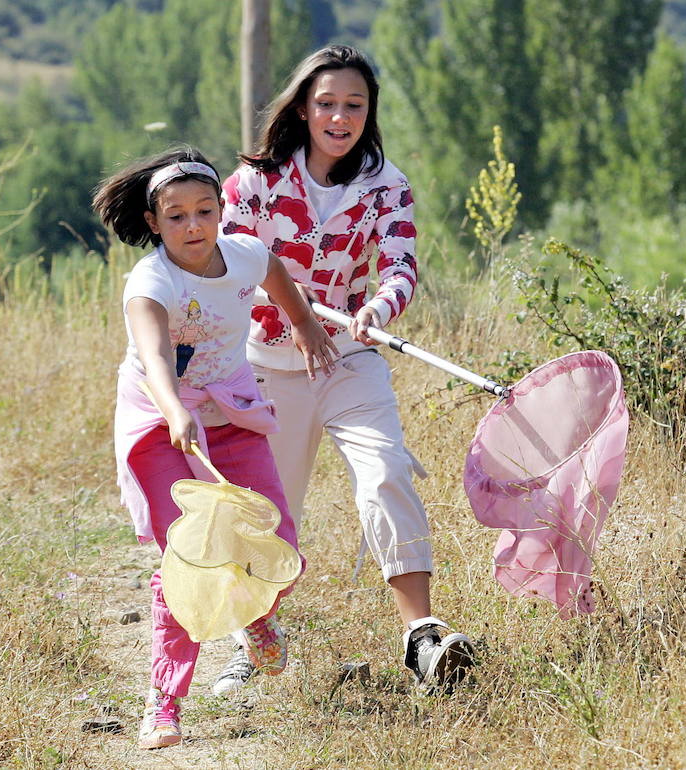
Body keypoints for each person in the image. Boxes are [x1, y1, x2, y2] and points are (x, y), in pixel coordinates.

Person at [215, 44, 474, 696]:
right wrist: (289, 305)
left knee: (386, 471)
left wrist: (378, 307)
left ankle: (422, 637)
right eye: (326, 103)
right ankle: (250, 642)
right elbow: (227, 270)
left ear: (368, 112)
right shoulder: (253, 184)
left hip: (349, 357)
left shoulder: (388, 185)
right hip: (267, 367)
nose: (339, 116)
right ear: (302, 108)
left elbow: (400, 266)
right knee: (269, 516)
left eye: (353, 105)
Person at [93, 146, 337, 750]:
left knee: (276, 539)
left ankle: (255, 615)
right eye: (175, 216)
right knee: (187, 560)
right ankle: (165, 703)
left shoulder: (244, 255)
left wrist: (304, 325)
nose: (193, 226)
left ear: (222, 211)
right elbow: (153, 356)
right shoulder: (150, 280)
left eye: (205, 211)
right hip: (162, 423)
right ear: (154, 223)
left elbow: (275, 273)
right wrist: (175, 408)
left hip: (232, 413)